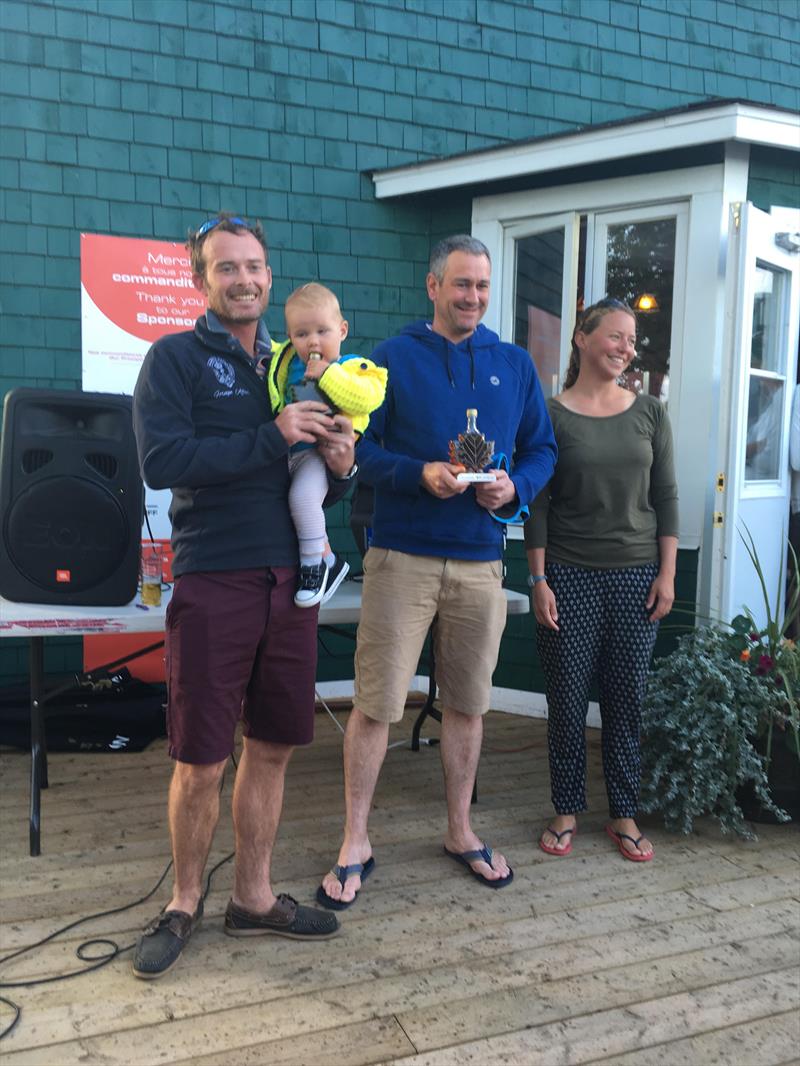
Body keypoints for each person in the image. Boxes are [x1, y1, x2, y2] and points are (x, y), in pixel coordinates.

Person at [131, 214, 358, 978]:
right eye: (226, 267)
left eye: (255, 266)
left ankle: (253, 899)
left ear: (269, 275)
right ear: (201, 281)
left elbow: (306, 491)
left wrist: (337, 459)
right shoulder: (174, 358)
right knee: (201, 755)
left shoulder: (294, 362)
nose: (244, 279)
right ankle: (185, 901)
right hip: (213, 574)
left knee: (274, 744)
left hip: (288, 583)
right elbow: (165, 460)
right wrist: (276, 434)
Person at [317, 234, 558, 908]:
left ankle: (460, 829)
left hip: (482, 562)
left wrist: (516, 488)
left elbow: (542, 450)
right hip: (402, 558)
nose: (472, 297)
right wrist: (419, 474)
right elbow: (359, 449)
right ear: (433, 286)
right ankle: (355, 840)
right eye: (461, 285)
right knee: (375, 706)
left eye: (482, 286)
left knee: (468, 706)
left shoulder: (513, 365)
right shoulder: (392, 360)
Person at [525, 298, 679, 863]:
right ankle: (566, 810)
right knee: (565, 700)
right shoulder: (550, 414)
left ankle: (623, 814)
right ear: (582, 340)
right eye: (615, 336)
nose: (625, 348)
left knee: (625, 701)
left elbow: (665, 497)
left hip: (637, 576)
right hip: (566, 574)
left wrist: (666, 573)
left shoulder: (650, 413)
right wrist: (538, 578)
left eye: (631, 340)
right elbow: (536, 505)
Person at [267, 283, 387, 606]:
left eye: (322, 330)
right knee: (283, 504)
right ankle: (330, 561)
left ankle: (313, 566)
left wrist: (327, 374)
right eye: (302, 334)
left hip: (319, 453)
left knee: (304, 499)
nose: (313, 341)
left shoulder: (354, 366)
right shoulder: (285, 361)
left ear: (343, 330)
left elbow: (367, 398)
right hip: (287, 450)